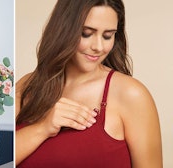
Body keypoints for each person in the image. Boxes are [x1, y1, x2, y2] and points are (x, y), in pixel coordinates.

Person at [15, 0, 162, 167]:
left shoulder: (131, 94)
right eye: (86, 33)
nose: (98, 47)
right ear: (63, 30)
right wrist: (43, 127)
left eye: (108, 36)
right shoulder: (28, 86)